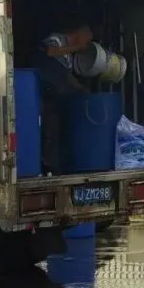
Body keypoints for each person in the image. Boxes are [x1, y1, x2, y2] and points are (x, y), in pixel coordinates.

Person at [37, 24, 93, 175]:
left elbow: (67, 75)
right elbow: (50, 52)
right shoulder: (57, 39)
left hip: (57, 98)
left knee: (57, 132)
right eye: (87, 40)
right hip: (45, 94)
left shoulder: (67, 57)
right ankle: (46, 165)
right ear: (80, 34)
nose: (86, 45)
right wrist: (76, 47)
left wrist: (81, 88)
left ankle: (56, 166)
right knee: (48, 131)